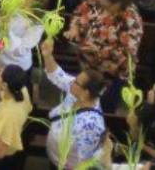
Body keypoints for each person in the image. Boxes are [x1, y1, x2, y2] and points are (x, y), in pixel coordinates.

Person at [38, 38, 107, 168]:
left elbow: (85, 160)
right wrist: (47, 55)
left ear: (86, 93)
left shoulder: (91, 125)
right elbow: (57, 75)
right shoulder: (77, 92)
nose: (72, 82)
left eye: (76, 82)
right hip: (55, 159)